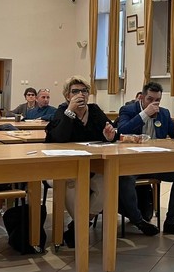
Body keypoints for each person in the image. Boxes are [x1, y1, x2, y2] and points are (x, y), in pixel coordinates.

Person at [45, 76, 117, 248]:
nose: (80, 94)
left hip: (92, 166)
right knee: (72, 187)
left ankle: (78, 226)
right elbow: (59, 138)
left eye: (84, 91)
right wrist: (70, 111)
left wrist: (109, 137)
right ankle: (80, 227)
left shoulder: (94, 111)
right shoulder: (62, 111)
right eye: (75, 91)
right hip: (64, 168)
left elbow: (111, 134)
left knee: (108, 184)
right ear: (67, 95)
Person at [117, 81, 174, 236]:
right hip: (132, 163)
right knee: (125, 178)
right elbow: (121, 131)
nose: (154, 103)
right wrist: (145, 114)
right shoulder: (128, 110)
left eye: (157, 100)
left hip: (155, 163)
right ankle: (139, 221)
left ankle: (171, 221)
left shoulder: (164, 113)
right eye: (150, 99)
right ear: (142, 98)